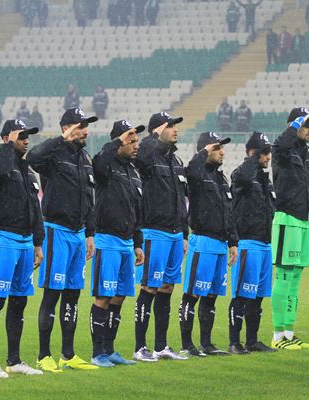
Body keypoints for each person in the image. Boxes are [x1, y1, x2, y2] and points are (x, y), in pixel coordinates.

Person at [27, 107, 98, 372]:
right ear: (67, 128)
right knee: (52, 294)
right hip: (56, 231)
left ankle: (68, 354)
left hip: (79, 235)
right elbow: (32, 157)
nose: (85, 131)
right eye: (80, 126)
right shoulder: (54, 154)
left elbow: (89, 198)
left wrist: (89, 234)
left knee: (72, 294)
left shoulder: (85, 158)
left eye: (86, 126)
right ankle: (44, 355)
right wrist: (61, 139)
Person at [0, 119, 44, 378]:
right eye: (21, 136)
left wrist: (38, 243)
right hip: (4, 239)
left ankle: (14, 360)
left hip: (26, 242)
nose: (26, 141)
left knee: (19, 301)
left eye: (28, 136)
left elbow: (36, 209)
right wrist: (8, 148)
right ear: (6, 138)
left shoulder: (27, 170)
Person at [132, 112, 188, 362]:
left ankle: (161, 346)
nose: (175, 129)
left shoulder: (175, 160)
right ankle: (139, 347)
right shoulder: (148, 155)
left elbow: (181, 200)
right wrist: (152, 138)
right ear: (157, 130)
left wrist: (184, 233)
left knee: (167, 288)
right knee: (149, 287)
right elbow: (141, 154)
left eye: (176, 126)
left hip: (175, 234)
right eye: (170, 126)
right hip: (155, 231)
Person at [89, 120, 145, 367]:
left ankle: (109, 349)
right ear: (118, 142)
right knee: (104, 296)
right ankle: (97, 352)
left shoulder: (133, 171)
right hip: (107, 239)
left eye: (137, 141)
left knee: (119, 296)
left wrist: (137, 243)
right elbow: (98, 163)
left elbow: (136, 210)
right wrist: (116, 142)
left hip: (126, 242)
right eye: (131, 141)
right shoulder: (106, 165)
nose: (136, 146)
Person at [181, 131, 237, 357]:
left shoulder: (221, 178)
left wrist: (233, 242)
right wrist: (202, 153)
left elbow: (229, 212)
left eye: (222, 148)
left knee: (211, 295)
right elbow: (190, 171)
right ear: (205, 151)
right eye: (217, 148)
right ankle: (187, 345)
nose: (222, 152)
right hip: (202, 241)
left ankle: (206, 344)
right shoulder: (197, 174)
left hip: (221, 244)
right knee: (192, 294)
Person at [270, 107, 309, 350]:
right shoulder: (283, 150)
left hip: (304, 221)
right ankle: (277, 335)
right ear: (293, 126)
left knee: (295, 279)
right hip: (287, 218)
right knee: (283, 276)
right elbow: (280, 145)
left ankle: (289, 332)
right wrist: (293, 127)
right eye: (306, 125)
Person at [228, 132, 276, 354]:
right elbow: (243, 178)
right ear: (251, 152)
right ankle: (234, 342)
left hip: (265, 243)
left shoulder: (264, 178)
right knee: (241, 295)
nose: (268, 156)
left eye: (268, 152)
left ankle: (252, 341)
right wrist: (253, 159)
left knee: (257, 296)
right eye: (263, 152)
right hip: (248, 242)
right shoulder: (242, 175)